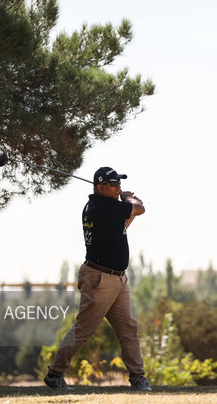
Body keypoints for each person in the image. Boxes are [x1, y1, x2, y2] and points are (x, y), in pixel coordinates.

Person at [44, 166, 151, 392]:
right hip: (100, 278)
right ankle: (55, 374)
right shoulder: (104, 206)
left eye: (119, 183)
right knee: (83, 330)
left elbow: (124, 224)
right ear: (100, 187)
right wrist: (128, 197)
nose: (118, 187)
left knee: (128, 329)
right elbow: (140, 208)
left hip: (117, 279)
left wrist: (124, 200)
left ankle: (138, 378)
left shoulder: (101, 205)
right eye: (113, 184)